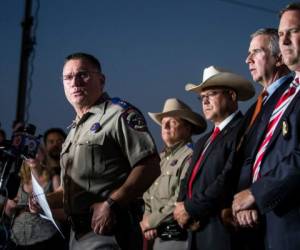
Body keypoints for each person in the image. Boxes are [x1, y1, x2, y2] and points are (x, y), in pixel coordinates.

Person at [30, 52, 160, 250]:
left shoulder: (118, 114)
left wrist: (112, 203)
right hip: (77, 234)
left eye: (83, 74)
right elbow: (67, 191)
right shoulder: (74, 130)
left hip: (110, 231)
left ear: (101, 80)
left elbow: (150, 165)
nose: (75, 82)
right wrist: (44, 201)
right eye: (68, 77)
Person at [232, 3, 300, 250]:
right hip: (273, 220)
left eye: (293, 31)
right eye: (281, 34)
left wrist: (256, 193)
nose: (285, 40)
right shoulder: (287, 95)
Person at [173, 65, 255, 250]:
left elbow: (228, 177)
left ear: (232, 96)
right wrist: (180, 204)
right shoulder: (203, 140)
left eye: (212, 94)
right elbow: (188, 177)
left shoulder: (244, 129)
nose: (205, 101)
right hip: (195, 229)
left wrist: (190, 208)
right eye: (202, 97)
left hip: (222, 229)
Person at [141, 98, 206, 250]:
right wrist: (146, 216)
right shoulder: (160, 159)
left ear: (187, 128)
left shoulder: (191, 156)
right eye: (163, 121)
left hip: (178, 239)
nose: (165, 125)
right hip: (158, 238)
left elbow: (181, 199)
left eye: (173, 121)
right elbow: (148, 195)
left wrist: (150, 221)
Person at [4, 151, 65, 250]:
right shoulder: (18, 179)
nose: (32, 155)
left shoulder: (54, 178)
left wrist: (42, 211)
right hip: (17, 238)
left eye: (36, 151)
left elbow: (65, 214)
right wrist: (9, 206)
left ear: (43, 154)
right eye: (29, 152)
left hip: (46, 238)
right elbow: (9, 214)